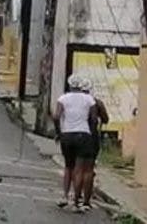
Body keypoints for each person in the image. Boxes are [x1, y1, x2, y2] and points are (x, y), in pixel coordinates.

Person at [53, 75, 98, 213]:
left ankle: (65, 196)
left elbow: (56, 116)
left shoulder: (63, 98)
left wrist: (59, 132)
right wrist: (90, 132)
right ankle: (76, 201)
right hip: (83, 135)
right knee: (79, 169)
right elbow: (94, 119)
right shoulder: (89, 99)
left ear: (70, 85)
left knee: (68, 167)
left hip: (67, 135)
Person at [80, 78, 109, 212]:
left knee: (77, 167)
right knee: (89, 169)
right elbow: (105, 119)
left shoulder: (74, 101)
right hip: (91, 138)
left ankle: (76, 196)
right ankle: (86, 200)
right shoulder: (96, 102)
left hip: (76, 135)